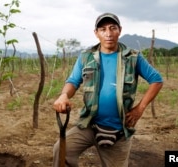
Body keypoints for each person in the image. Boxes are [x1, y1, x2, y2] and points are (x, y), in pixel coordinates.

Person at [53, 12, 163, 167]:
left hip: (118, 129)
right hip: (89, 123)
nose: (109, 33)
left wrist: (140, 108)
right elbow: (73, 81)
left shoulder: (132, 57)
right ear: (96, 33)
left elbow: (156, 80)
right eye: (103, 29)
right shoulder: (86, 57)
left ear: (120, 30)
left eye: (113, 28)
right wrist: (64, 95)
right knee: (62, 150)